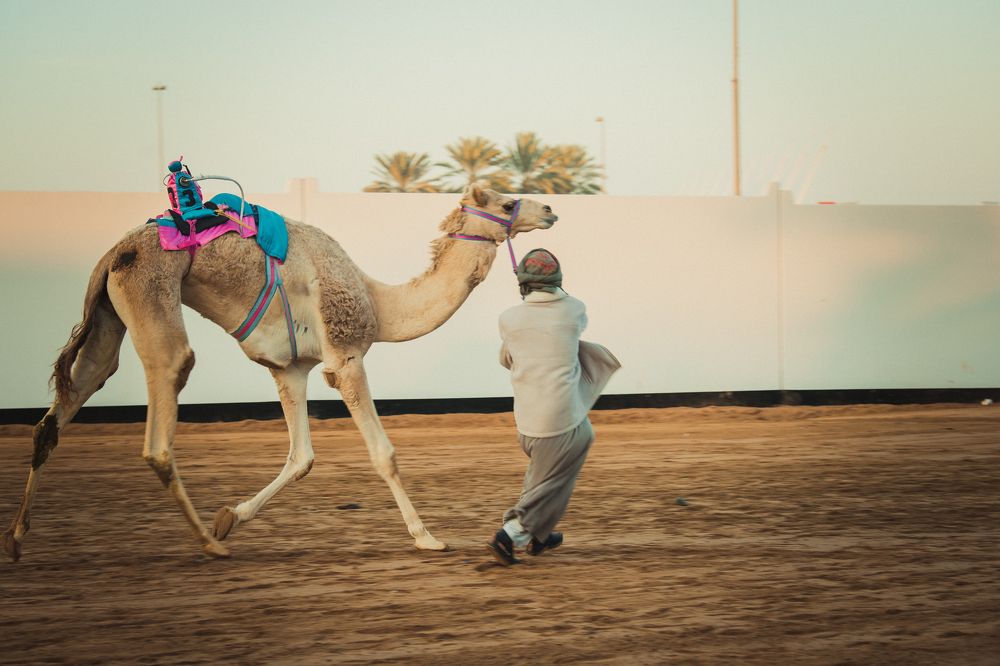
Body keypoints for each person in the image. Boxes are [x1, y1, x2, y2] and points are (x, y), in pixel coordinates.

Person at [487, 248, 620, 566]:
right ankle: (513, 532)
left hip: (528, 426)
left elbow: (508, 356)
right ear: (558, 279)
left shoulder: (508, 319)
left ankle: (539, 534)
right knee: (557, 476)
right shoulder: (574, 309)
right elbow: (572, 323)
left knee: (544, 476)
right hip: (561, 424)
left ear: (523, 284)